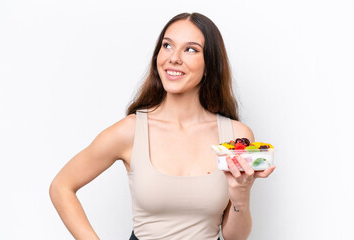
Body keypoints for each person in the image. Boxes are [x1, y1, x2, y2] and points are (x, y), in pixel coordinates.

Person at [49, 12, 275, 240]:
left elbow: (235, 237)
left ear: (209, 65)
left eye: (191, 49)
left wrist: (240, 195)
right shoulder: (130, 131)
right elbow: (61, 187)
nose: (174, 58)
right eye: (167, 46)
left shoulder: (236, 136)